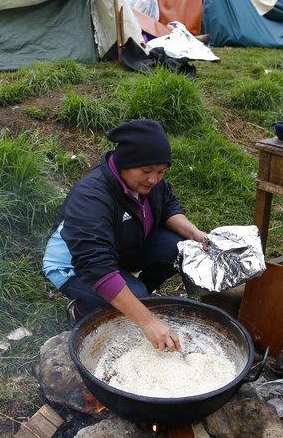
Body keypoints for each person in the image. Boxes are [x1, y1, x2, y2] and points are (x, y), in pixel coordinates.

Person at [42, 119, 208, 352]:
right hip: (74, 266)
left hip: (119, 248)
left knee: (179, 249)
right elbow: (96, 266)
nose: (154, 179)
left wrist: (196, 235)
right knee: (136, 297)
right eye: (147, 171)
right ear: (124, 164)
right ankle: (83, 309)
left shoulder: (149, 183)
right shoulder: (91, 196)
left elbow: (168, 207)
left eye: (161, 172)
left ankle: (131, 298)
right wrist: (147, 321)